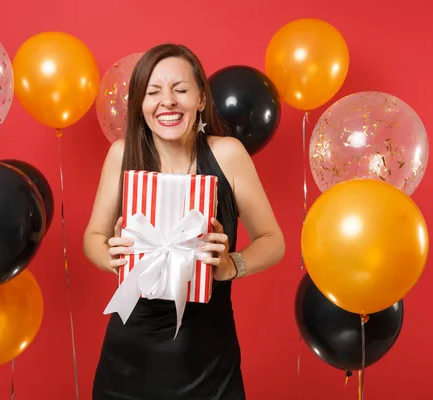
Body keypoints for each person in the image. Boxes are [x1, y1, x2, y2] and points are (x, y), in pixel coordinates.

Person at [83, 43, 285, 400]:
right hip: (128, 353)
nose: (168, 102)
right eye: (153, 92)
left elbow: (272, 240)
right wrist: (111, 254)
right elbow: (94, 238)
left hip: (207, 354)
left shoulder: (228, 154)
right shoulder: (121, 155)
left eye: (180, 90)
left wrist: (231, 265)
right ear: (140, 104)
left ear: (202, 99)